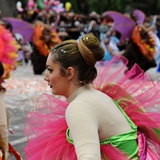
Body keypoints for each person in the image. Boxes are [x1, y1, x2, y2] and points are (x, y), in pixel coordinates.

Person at [24, 33, 160, 160]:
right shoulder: (98, 95)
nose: (46, 77)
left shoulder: (79, 107)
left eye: (50, 70)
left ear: (70, 73)